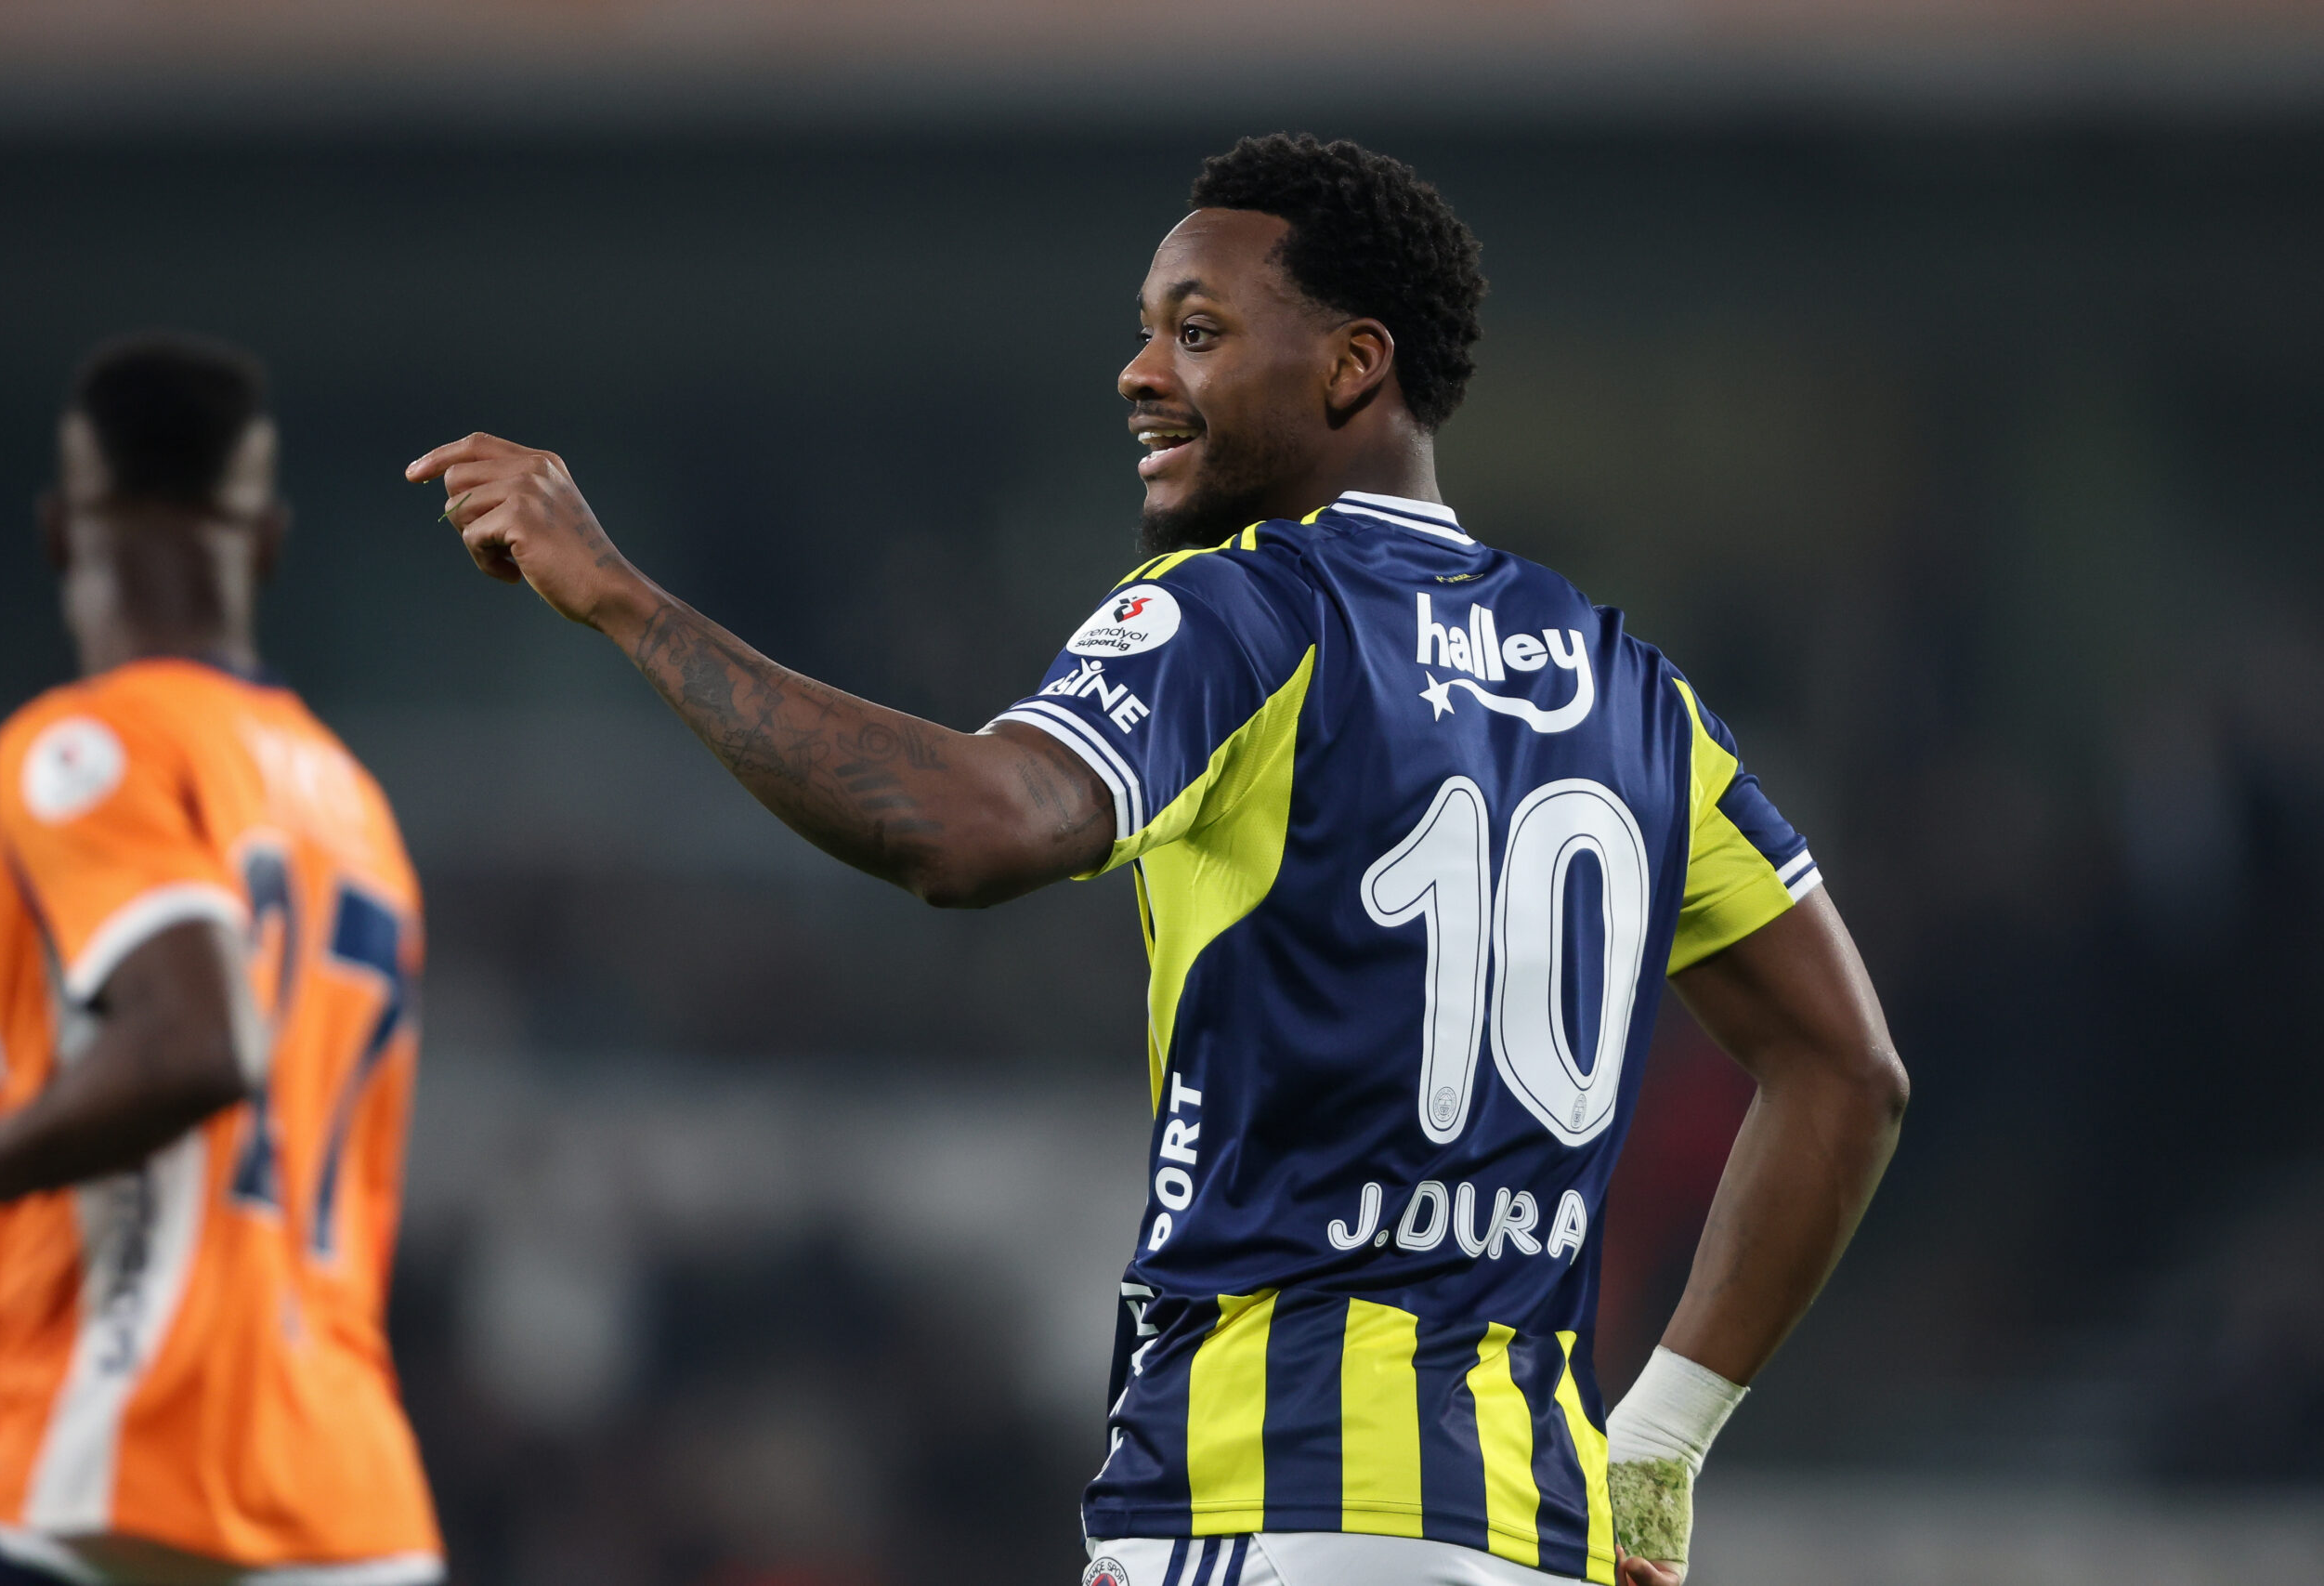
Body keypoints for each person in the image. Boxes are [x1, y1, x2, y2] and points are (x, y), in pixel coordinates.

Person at [409, 134, 1908, 1586]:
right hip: (1534, 1530)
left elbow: (972, 828)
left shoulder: (1244, 611)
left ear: (1353, 365)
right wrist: (1659, 1443)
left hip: (1272, 1497)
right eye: (1147, 331)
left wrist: (624, 600)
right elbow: (1849, 1071)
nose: (1139, 373)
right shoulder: (1629, 691)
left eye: (1197, 331)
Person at [0, 335, 443, 1585]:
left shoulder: (84, 747)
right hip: (354, 1507)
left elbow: (196, 1047)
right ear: (266, 541)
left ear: (59, 531)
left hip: (126, 1472)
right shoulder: (355, 806)